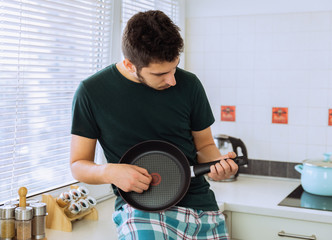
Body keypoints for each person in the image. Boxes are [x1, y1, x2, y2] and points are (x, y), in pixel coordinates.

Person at [70, 10, 238, 240]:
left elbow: (205, 145)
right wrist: (110, 171)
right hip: (140, 210)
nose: (172, 80)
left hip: (201, 207)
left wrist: (217, 165)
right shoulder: (91, 92)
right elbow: (78, 164)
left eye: (175, 67)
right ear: (130, 65)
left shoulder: (190, 85)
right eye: (160, 74)